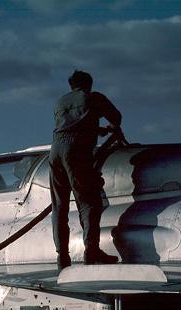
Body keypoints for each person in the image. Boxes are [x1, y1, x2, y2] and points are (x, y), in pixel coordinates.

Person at [50, 70, 122, 270]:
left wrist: (96, 130)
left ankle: (62, 258)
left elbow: (72, 126)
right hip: (76, 153)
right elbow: (116, 118)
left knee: (59, 207)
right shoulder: (94, 98)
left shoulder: (59, 102)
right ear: (89, 84)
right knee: (89, 203)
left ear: (71, 85)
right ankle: (91, 251)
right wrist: (109, 127)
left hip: (55, 151)